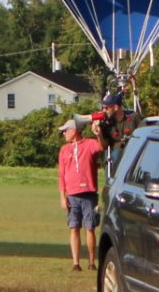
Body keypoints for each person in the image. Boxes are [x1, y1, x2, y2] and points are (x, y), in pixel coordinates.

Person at [58, 115, 103, 273]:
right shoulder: (64, 150)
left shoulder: (89, 144)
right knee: (74, 227)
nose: (63, 134)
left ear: (74, 130)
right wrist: (63, 196)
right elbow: (62, 175)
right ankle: (76, 263)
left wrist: (98, 133)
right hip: (72, 195)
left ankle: (92, 262)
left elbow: (102, 146)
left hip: (89, 193)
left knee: (90, 228)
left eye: (65, 131)